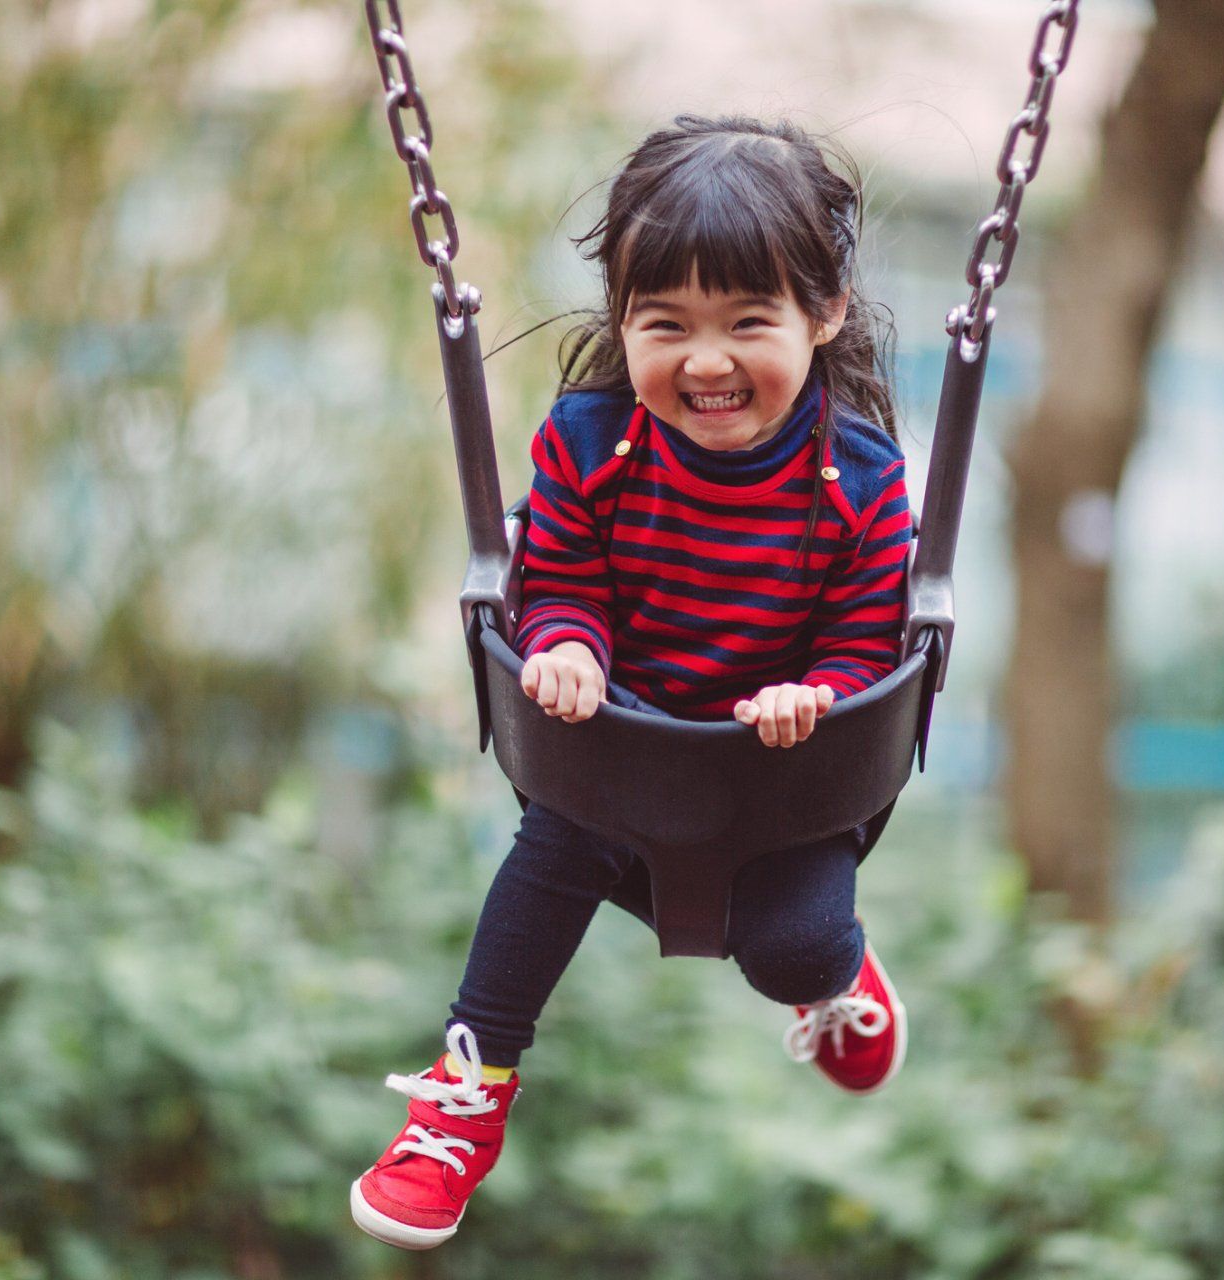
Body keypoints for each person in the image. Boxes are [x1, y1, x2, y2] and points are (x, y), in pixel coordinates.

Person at [351, 115, 914, 1251]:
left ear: (825, 312)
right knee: (547, 855)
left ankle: (843, 979)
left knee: (789, 951)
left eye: (747, 322)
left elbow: (871, 632)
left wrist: (815, 688)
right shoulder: (591, 440)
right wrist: (566, 645)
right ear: (623, 322)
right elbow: (555, 572)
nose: (704, 362)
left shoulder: (860, 475)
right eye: (666, 325)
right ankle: (463, 1102)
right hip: (619, 746)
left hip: (786, 778)